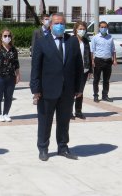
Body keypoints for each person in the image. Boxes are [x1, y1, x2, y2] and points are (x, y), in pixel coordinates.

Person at [30, 13, 83, 161]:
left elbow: (79, 65)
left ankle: (63, 147)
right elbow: (36, 67)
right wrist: (35, 89)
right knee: (45, 120)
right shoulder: (42, 42)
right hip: (47, 90)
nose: (59, 25)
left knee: (64, 121)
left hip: (67, 90)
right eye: (56, 23)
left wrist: (79, 88)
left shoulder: (72, 41)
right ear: (51, 25)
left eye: (62, 23)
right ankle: (43, 148)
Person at [0, 29, 20, 122]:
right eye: (5, 36)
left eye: (9, 36)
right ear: (1, 37)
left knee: (9, 96)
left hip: (10, 77)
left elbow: (16, 64)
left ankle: (6, 113)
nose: (7, 38)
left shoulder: (13, 49)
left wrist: (18, 75)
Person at [90, 21, 117, 102]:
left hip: (108, 61)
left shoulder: (110, 37)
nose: (103, 28)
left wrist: (114, 59)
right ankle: (95, 95)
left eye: (105, 27)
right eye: (102, 27)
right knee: (96, 79)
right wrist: (92, 60)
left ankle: (105, 95)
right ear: (99, 27)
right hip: (98, 60)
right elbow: (92, 50)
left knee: (106, 80)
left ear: (107, 28)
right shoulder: (95, 38)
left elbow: (113, 49)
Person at [72, 21, 92, 120]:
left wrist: (90, 70)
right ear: (75, 29)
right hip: (72, 71)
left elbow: (89, 55)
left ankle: (78, 111)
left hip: (84, 70)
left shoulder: (86, 41)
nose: (82, 31)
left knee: (80, 91)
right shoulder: (71, 40)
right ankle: (69, 111)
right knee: (71, 92)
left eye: (84, 29)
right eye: (80, 29)